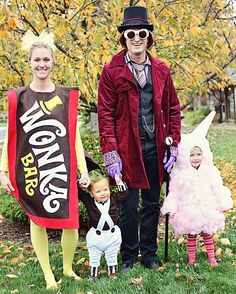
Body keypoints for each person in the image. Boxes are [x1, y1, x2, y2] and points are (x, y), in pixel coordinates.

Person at [0, 30, 90, 290]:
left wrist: (82, 170)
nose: (41, 64)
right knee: (37, 219)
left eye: (46, 60)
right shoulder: (19, 97)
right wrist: (3, 171)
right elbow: (11, 139)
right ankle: (48, 275)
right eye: (37, 60)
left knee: (69, 219)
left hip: (60, 167)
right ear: (29, 63)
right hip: (32, 167)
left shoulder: (64, 97)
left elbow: (74, 137)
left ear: (53, 62)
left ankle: (67, 268)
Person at [98, 6, 181, 271]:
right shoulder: (112, 70)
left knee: (152, 204)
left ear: (148, 37)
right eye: (131, 33)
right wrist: (111, 154)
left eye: (142, 33)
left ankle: (149, 254)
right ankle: (129, 256)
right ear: (124, 37)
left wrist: (173, 145)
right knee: (128, 206)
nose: (136, 38)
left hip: (155, 147)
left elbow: (173, 109)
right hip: (126, 151)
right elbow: (105, 115)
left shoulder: (161, 69)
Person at [161, 111, 233, 267]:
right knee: (192, 235)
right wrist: (171, 207)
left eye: (199, 154)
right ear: (185, 156)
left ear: (204, 154)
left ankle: (212, 258)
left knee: (207, 234)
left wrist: (223, 203)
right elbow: (174, 192)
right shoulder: (180, 175)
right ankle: (191, 258)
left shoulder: (209, 171)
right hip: (190, 211)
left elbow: (217, 187)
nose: (195, 158)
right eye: (191, 155)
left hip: (206, 208)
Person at [79, 172, 128, 280]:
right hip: (96, 236)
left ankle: (113, 274)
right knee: (94, 256)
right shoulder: (89, 202)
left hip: (112, 235)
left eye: (105, 190)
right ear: (91, 194)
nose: (103, 193)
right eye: (98, 191)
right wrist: (82, 182)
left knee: (112, 256)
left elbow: (124, 195)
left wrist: (119, 182)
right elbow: (80, 193)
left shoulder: (114, 198)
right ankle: (94, 274)